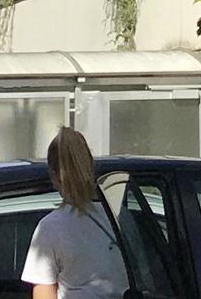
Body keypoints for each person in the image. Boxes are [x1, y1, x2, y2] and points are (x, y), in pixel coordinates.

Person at [25, 127, 130, 299]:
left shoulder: (49, 228)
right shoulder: (122, 217)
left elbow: (44, 294)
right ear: (91, 166)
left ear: (53, 175)